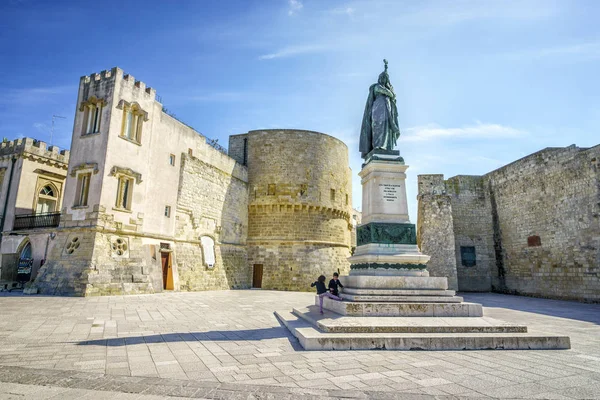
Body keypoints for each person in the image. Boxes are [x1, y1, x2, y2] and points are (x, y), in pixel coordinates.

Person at [359, 59, 401, 159]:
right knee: (378, 127)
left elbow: (392, 94)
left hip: (387, 111)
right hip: (378, 109)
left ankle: (386, 146)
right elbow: (390, 93)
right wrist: (388, 89)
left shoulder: (384, 87)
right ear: (379, 78)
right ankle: (378, 146)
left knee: (386, 128)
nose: (383, 79)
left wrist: (386, 69)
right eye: (382, 77)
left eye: (385, 78)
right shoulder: (376, 87)